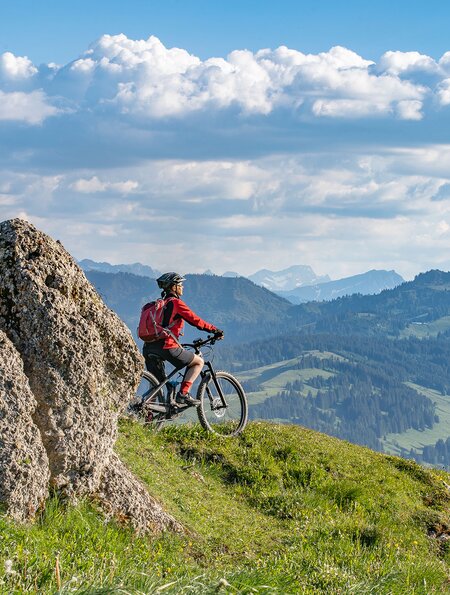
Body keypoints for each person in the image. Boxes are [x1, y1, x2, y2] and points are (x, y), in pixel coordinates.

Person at [143, 272, 224, 406]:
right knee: (198, 362)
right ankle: (183, 394)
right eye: (180, 284)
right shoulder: (175, 303)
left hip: (148, 347)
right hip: (167, 347)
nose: (182, 287)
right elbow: (196, 320)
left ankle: (147, 413)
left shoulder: (157, 305)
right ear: (174, 287)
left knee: (156, 384)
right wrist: (215, 330)